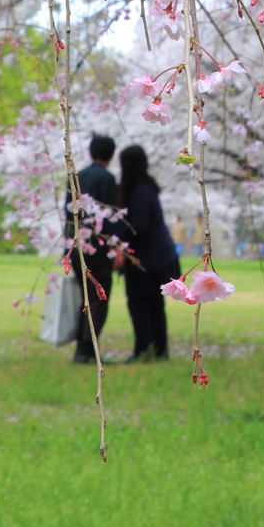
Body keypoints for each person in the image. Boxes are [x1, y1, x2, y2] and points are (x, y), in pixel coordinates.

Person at [118, 144, 180, 361]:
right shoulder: (146, 188)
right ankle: (159, 350)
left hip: (146, 259)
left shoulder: (139, 192)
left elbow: (138, 227)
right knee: (154, 305)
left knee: (140, 304)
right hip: (159, 256)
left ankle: (144, 349)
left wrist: (117, 234)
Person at [64, 134, 121, 365]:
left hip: (77, 244)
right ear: (111, 154)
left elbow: (67, 213)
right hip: (98, 246)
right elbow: (112, 216)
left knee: (85, 297)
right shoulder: (107, 178)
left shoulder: (76, 176)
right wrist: (116, 247)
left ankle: (82, 346)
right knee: (99, 296)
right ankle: (87, 349)